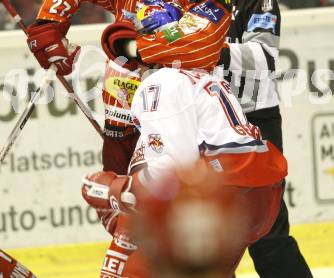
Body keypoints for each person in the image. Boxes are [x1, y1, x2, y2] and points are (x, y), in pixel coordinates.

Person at [25, 0, 232, 174]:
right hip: (118, 131)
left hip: (177, 135)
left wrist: (134, 48)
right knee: (113, 207)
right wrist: (49, 24)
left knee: (160, 211)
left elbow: (201, 40)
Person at [82, 63, 288, 277]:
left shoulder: (164, 85)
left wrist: (116, 192)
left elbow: (172, 181)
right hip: (249, 195)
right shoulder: (197, 83)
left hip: (214, 201)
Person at [202, 0, 313, 278]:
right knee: (203, 231)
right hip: (204, 123)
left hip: (253, 123)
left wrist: (207, 49)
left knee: (265, 232)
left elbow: (264, 56)